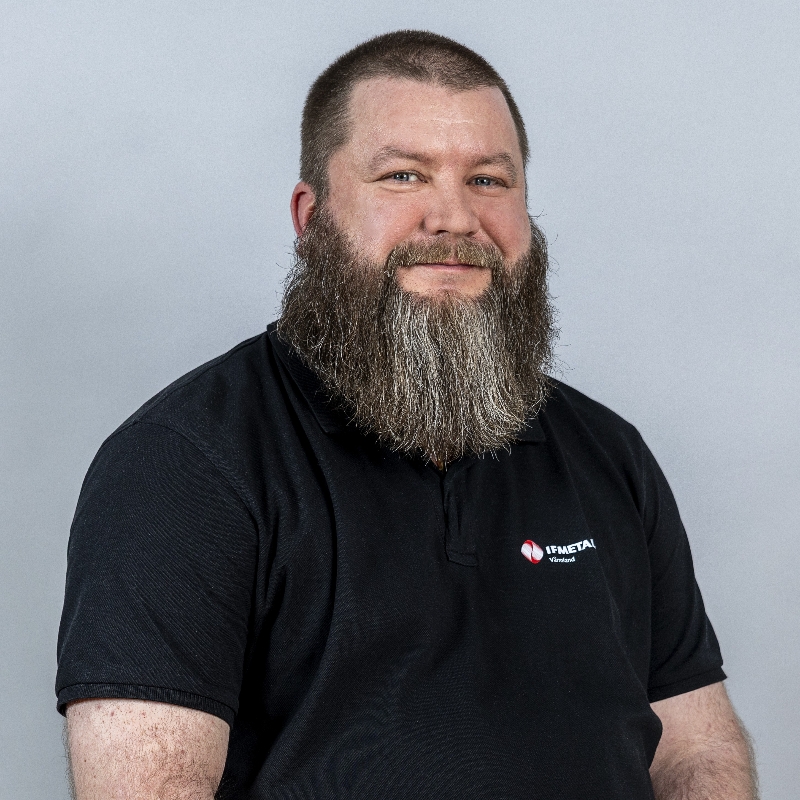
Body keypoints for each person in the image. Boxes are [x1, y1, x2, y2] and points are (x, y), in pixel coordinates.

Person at [57, 30, 758, 800]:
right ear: (312, 217)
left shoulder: (608, 455)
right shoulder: (184, 464)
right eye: (403, 175)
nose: (453, 217)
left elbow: (696, 751)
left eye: (488, 180)